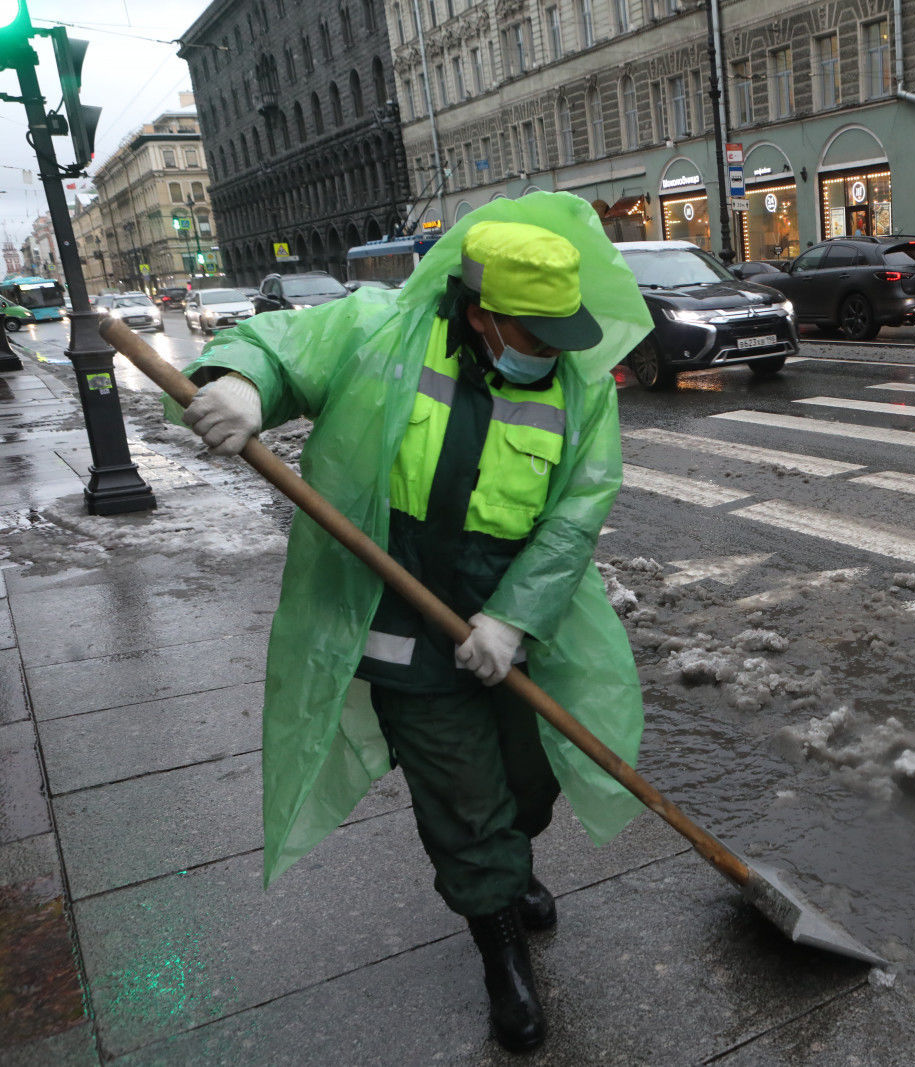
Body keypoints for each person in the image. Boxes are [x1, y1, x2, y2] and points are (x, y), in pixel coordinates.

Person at [173, 194, 654, 1054]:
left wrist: (512, 620)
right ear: (483, 313)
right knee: (463, 801)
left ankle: (512, 872)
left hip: (514, 619)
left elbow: (580, 509)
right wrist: (242, 384)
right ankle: (500, 949)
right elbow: (276, 346)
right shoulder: (380, 331)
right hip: (402, 619)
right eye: (538, 334)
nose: (554, 352)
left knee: (529, 774)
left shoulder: (577, 387)